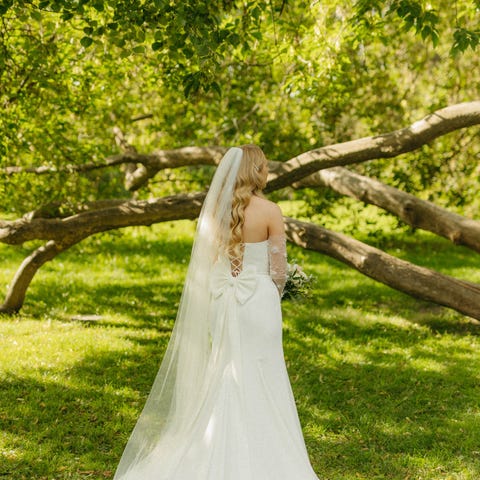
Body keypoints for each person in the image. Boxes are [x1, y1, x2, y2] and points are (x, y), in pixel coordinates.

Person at [113, 145, 320, 480]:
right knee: (263, 369)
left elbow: (208, 262)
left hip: (222, 299)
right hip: (258, 301)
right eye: (264, 166)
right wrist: (277, 292)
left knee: (225, 368)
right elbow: (279, 271)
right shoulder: (270, 211)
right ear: (256, 171)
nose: (267, 171)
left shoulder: (214, 213)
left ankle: (212, 444)